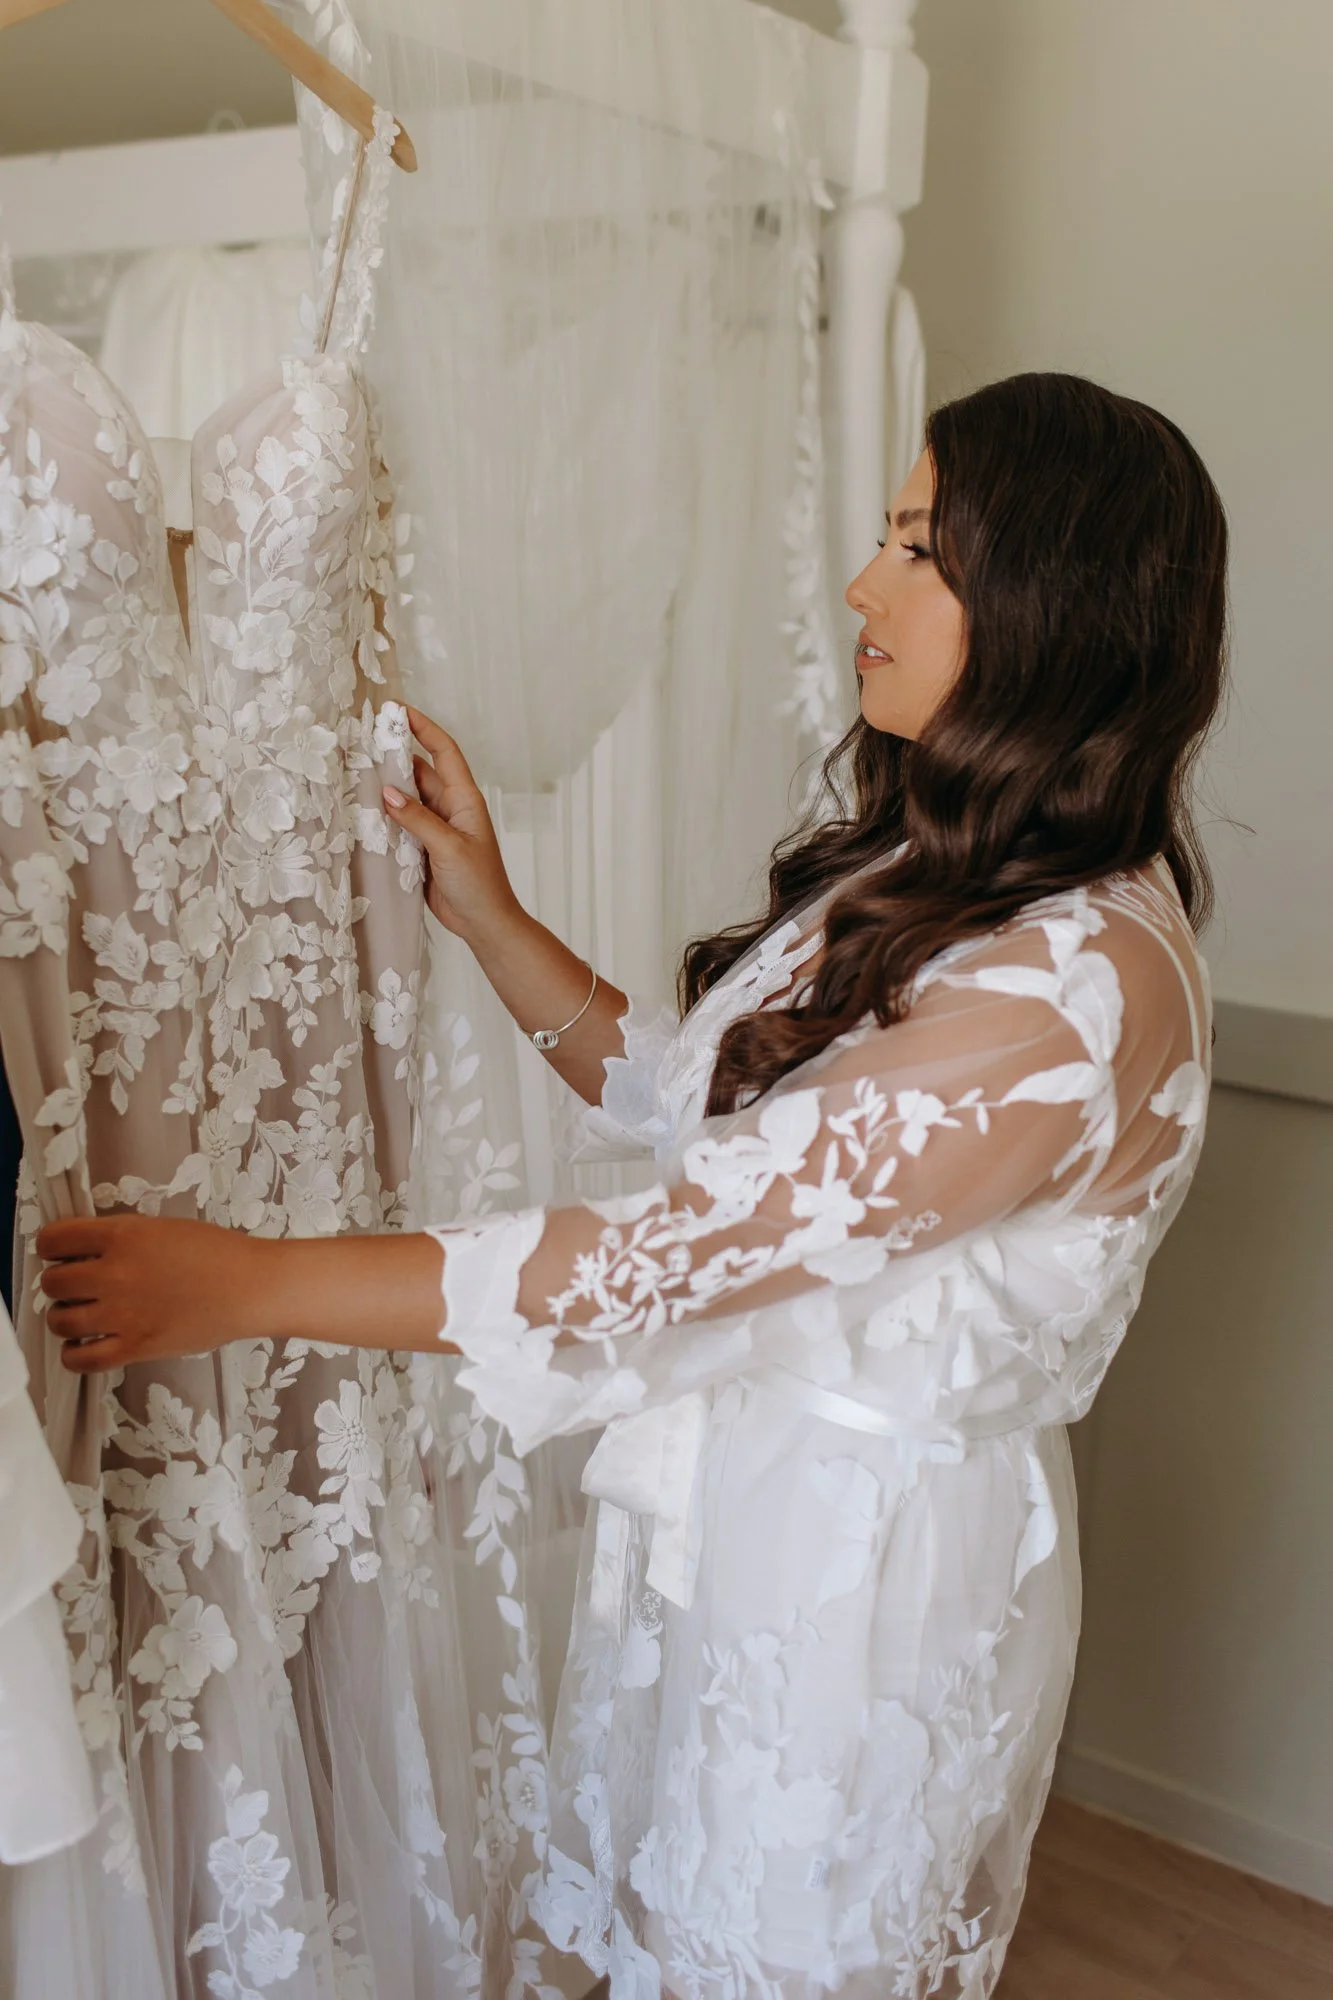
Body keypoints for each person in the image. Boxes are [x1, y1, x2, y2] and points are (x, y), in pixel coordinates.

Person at [36, 373, 1226, 2000]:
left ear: (1057, 606)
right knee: (672, 1940)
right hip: (755, 1514)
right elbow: (707, 1116)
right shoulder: (944, 880)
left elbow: (681, 1252)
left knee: (773, 1963)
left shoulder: (1068, 994)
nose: (864, 591)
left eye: (916, 551)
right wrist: (492, 914)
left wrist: (248, 1284)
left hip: (859, 1587)